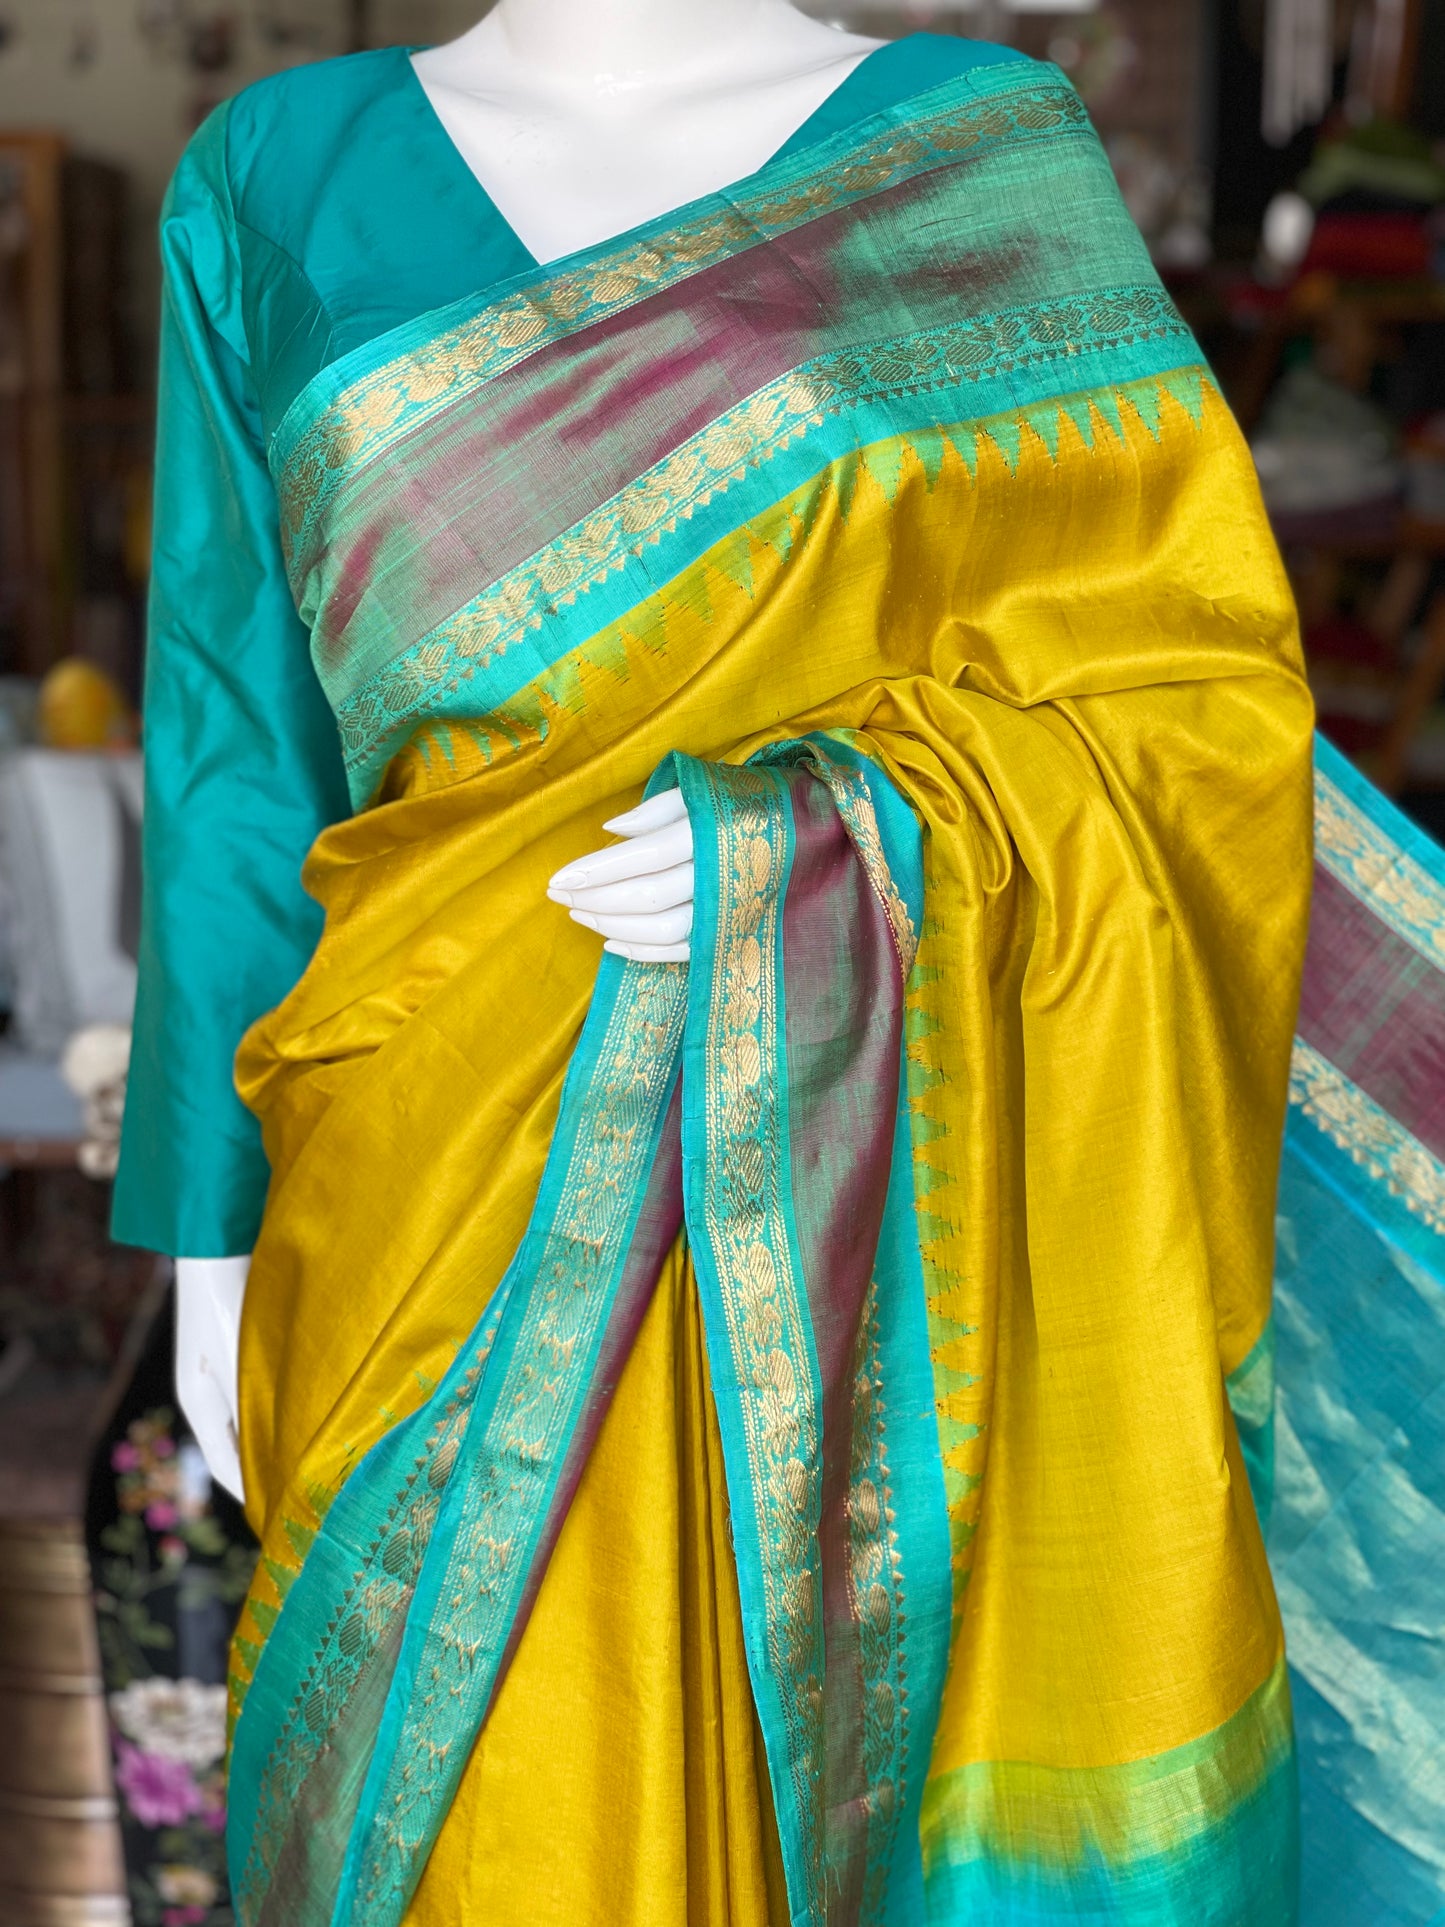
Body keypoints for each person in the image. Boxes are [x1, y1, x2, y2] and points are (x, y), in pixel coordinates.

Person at [114, 2, 1445, 1922]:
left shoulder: (974, 149)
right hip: (420, 1177)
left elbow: (1191, 715)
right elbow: (236, 744)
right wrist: (205, 1240)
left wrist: (840, 849)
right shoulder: (275, 179)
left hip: (898, 1215)